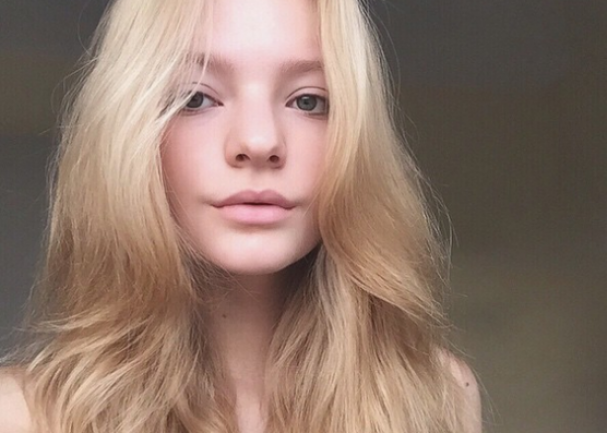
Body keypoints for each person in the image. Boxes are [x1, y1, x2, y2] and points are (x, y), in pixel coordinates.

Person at [0, 0, 482, 432]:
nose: (259, 141)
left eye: (308, 101)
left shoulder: (438, 399)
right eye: (196, 98)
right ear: (129, 129)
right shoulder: (20, 415)